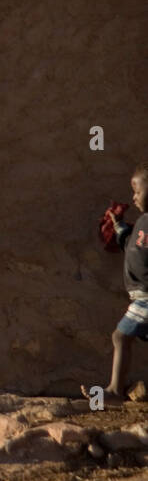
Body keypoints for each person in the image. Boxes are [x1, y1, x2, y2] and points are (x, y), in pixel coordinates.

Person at [86, 164, 148, 403]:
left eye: (138, 191)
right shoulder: (143, 223)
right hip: (140, 297)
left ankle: (114, 390)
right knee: (122, 337)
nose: (134, 197)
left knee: (120, 337)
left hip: (145, 297)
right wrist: (118, 225)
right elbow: (131, 245)